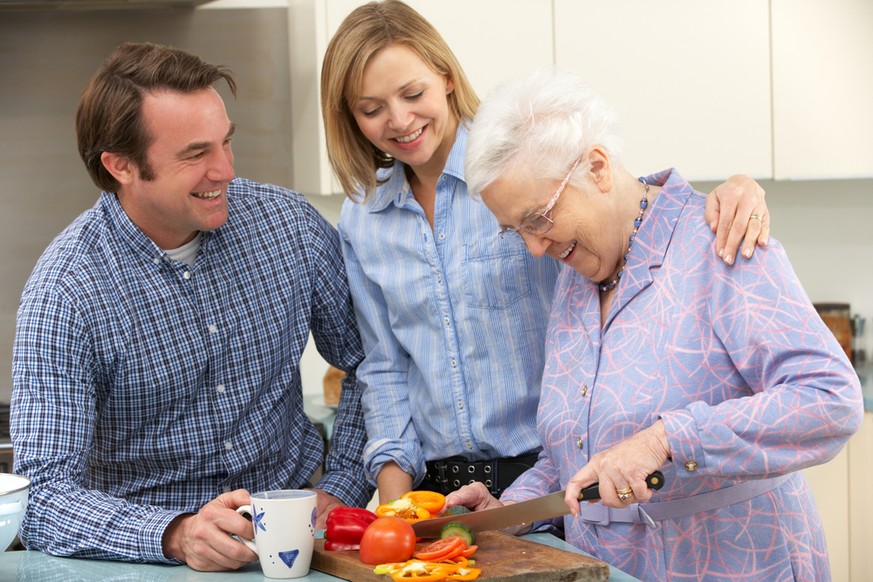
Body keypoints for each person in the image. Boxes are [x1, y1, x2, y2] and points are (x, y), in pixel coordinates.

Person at [320, 0, 771, 504]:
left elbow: (613, 211)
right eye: (371, 108)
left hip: (548, 474)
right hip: (437, 493)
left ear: (446, 76)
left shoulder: (515, 163)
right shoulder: (363, 219)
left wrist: (736, 186)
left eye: (412, 93)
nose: (399, 120)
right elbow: (384, 367)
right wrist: (396, 508)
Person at [447, 66, 864, 580]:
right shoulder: (576, 277)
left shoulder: (720, 239)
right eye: (517, 231)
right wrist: (509, 511)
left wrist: (665, 439)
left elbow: (830, 399)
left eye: (538, 218)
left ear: (597, 168)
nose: (534, 247)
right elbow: (575, 454)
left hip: (738, 563)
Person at [10, 42, 372, 571]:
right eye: (196, 153)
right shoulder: (66, 293)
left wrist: (339, 489)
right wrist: (175, 535)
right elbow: (41, 499)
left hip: (298, 554)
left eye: (226, 142)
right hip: (144, 565)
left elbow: (371, 365)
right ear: (121, 166)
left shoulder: (291, 228)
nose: (224, 169)